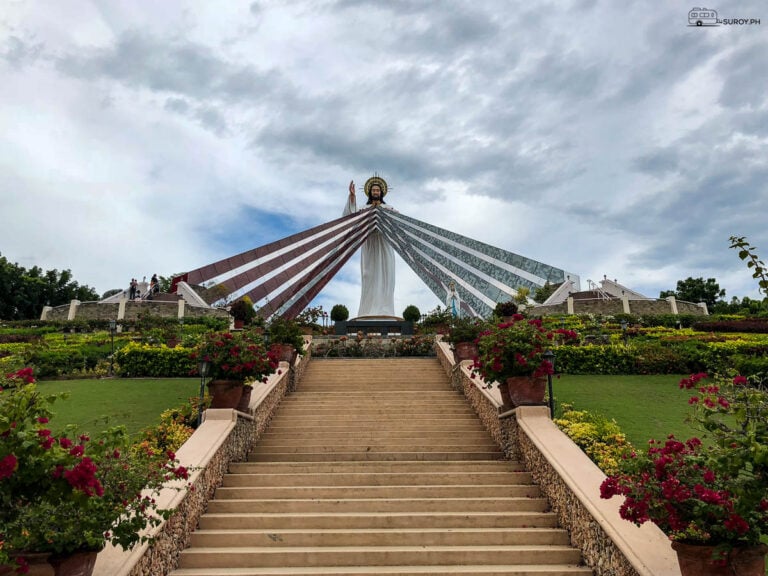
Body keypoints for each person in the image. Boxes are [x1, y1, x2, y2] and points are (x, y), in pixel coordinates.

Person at [343, 176, 396, 318]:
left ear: (381, 192)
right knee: (369, 275)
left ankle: (385, 310)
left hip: (384, 244)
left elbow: (398, 223)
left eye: (378, 190)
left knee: (386, 276)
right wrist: (352, 198)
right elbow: (350, 217)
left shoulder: (389, 209)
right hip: (369, 244)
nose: (376, 192)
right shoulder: (364, 209)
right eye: (373, 190)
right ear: (369, 192)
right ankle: (367, 310)